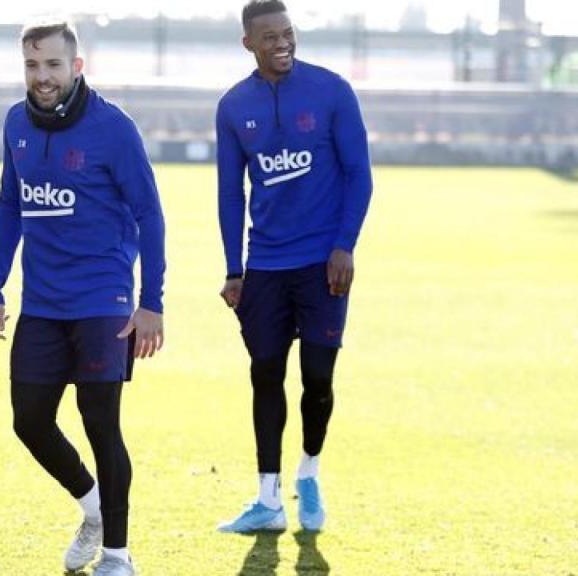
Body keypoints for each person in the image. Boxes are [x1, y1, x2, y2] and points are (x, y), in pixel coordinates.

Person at [0, 19, 166, 576]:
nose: (42, 77)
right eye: (32, 66)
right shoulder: (16, 122)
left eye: (53, 65)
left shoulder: (114, 128)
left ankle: (117, 554)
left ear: (76, 67)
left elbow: (149, 214)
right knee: (29, 420)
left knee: (99, 421)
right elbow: (10, 206)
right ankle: (93, 510)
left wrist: (150, 300)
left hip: (103, 300)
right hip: (41, 303)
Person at [215, 0, 373, 534]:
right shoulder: (234, 106)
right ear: (248, 43)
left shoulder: (331, 91)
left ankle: (308, 472)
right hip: (266, 267)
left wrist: (344, 245)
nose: (282, 43)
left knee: (318, 379)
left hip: (323, 264)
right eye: (269, 37)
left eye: (287, 33)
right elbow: (229, 192)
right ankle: (266, 499)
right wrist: (234, 268)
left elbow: (359, 174)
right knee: (264, 374)